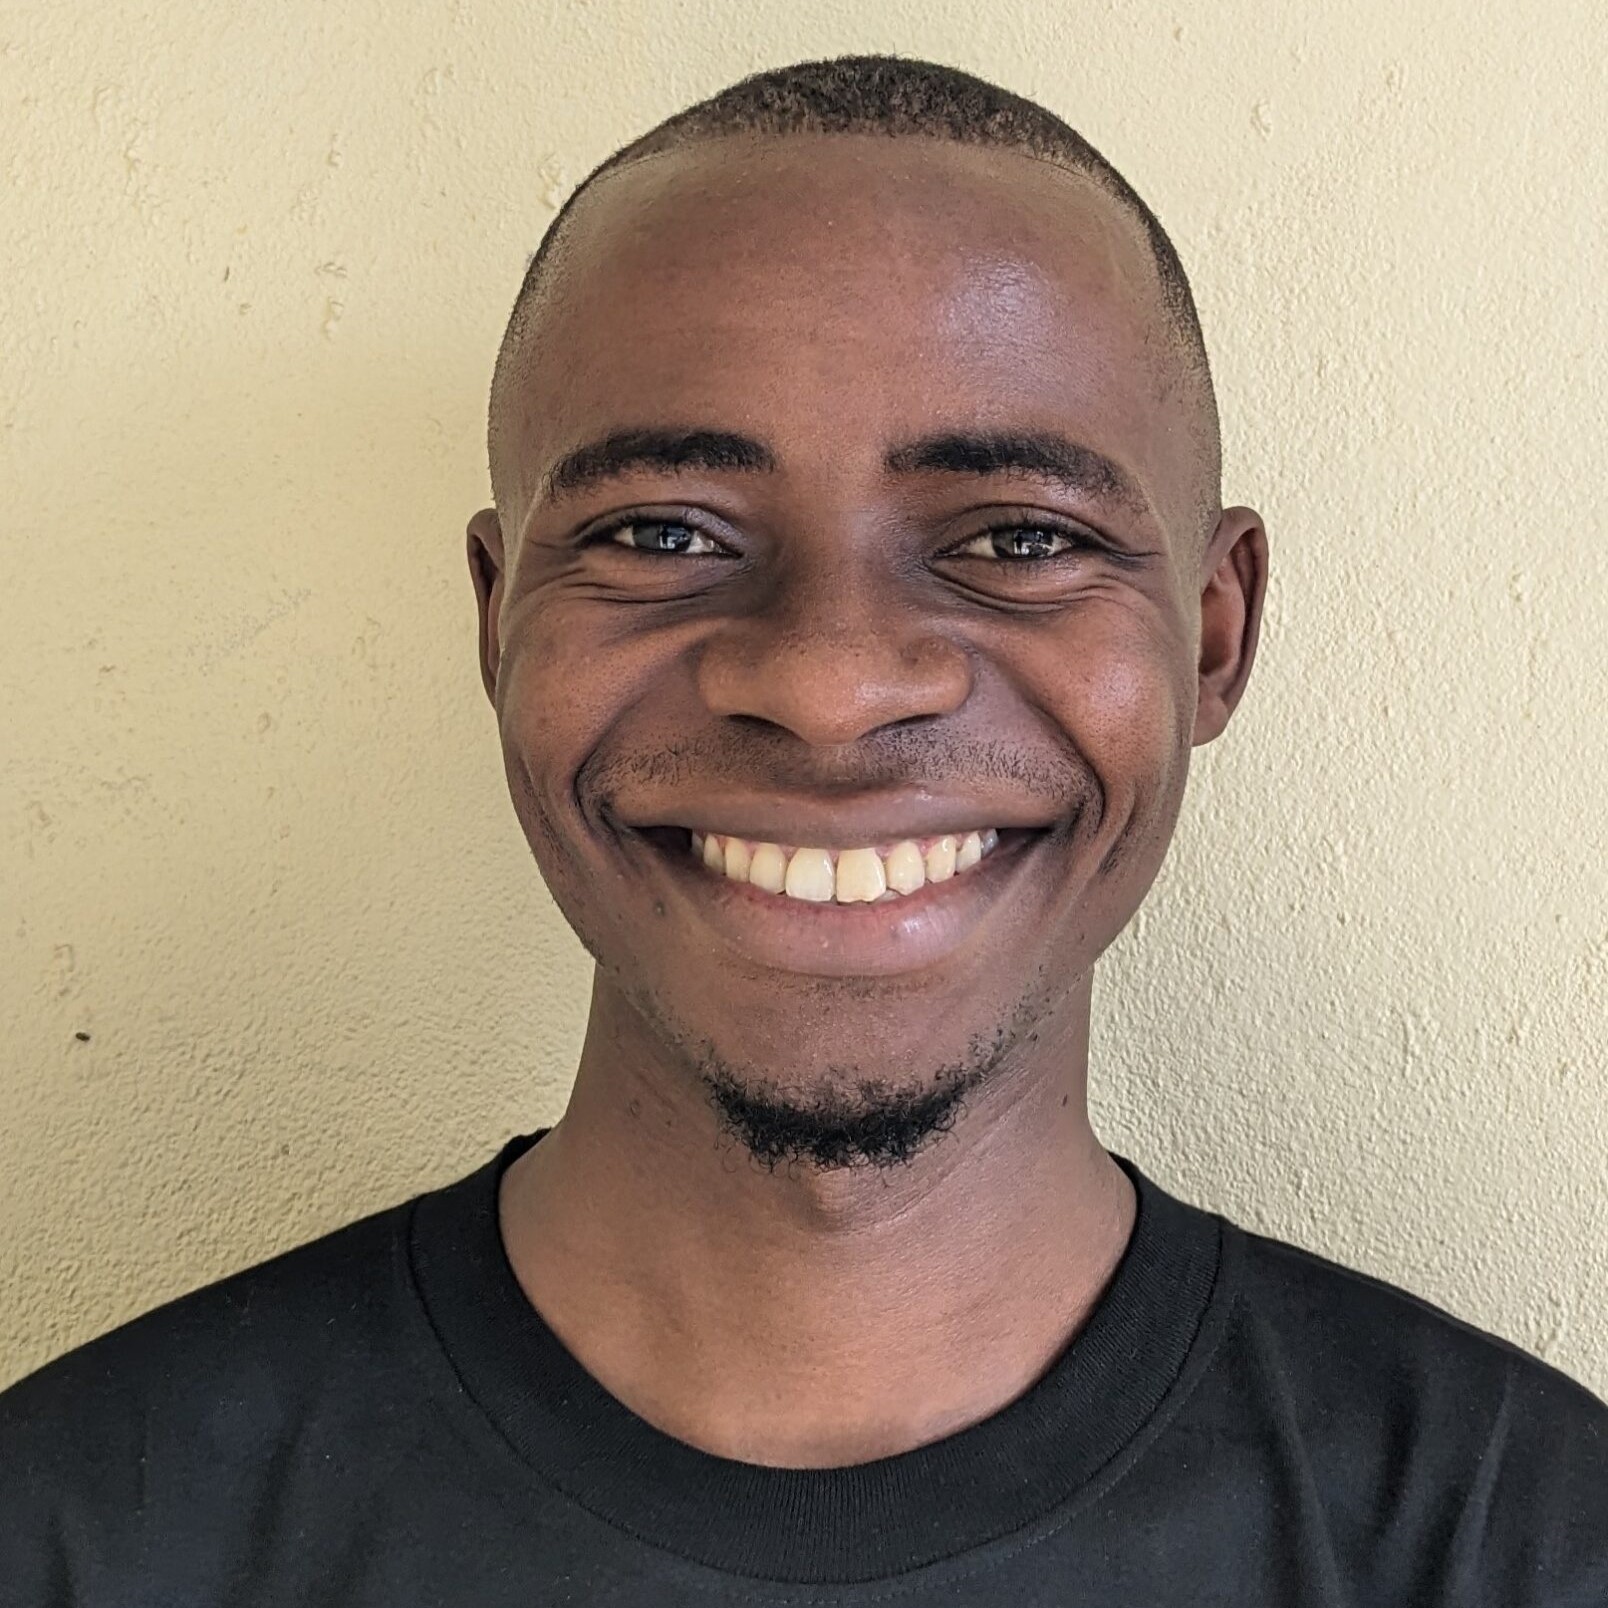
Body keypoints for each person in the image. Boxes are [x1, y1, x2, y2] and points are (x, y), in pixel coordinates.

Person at [2, 53, 1604, 1607]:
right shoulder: (72, 1532)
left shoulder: (1528, 1542)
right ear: (498, 625)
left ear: (1211, 636)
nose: (830, 687)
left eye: (1018, 538)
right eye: (660, 535)